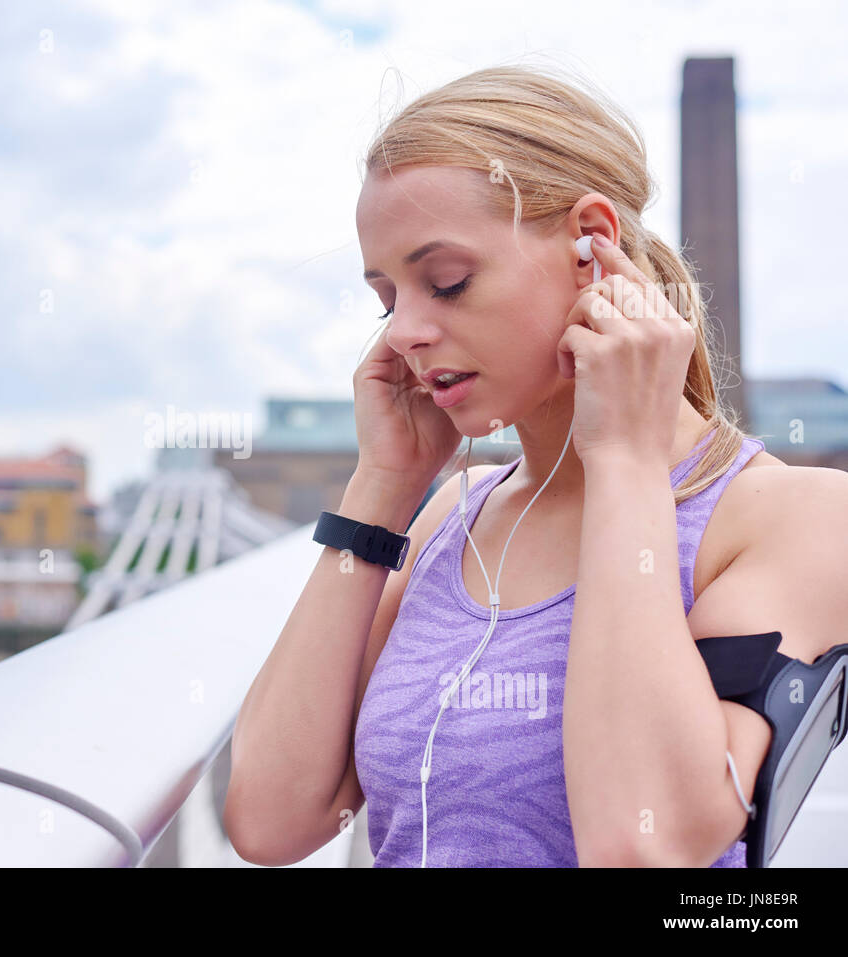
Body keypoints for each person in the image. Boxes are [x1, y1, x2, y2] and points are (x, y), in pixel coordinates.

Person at [223, 63, 848, 867]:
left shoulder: (797, 516)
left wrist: (622, 457)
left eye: (445, 282)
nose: (404, 331)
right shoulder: (456, 516)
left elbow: (640, 843)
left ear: (592, 244)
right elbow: (272, 821)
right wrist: (381, 487)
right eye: (387, 298)